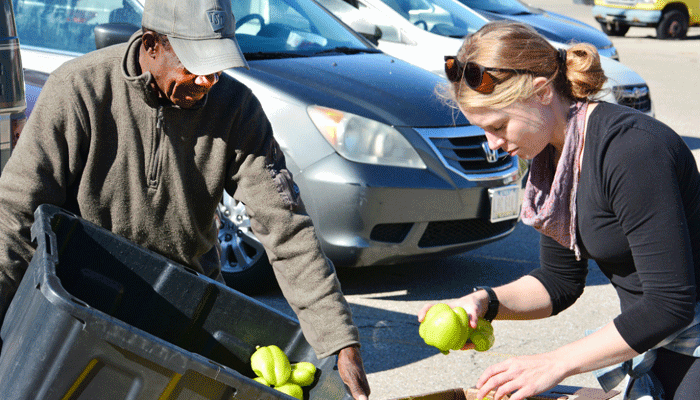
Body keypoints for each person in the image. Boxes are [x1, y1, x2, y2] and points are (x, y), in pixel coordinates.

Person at [0, 0, 370, 398]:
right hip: (86, 308)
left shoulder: (237, 111)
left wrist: (339, 342)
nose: (208, 80)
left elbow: (287, 228)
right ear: (151, 44)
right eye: (194, 65)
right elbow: (16, 215)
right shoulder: (79, 91)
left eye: (216, 66)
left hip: (186, 315)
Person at [419, 21, 700, 400]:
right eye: (483, 129)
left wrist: (555, 363)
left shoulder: (632, 151)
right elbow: (559, 282)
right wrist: (484, 302)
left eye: (499, 125)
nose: (494, 144)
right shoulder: (554, 159)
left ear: (542, 91)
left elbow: (670, 303)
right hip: (653, 338)